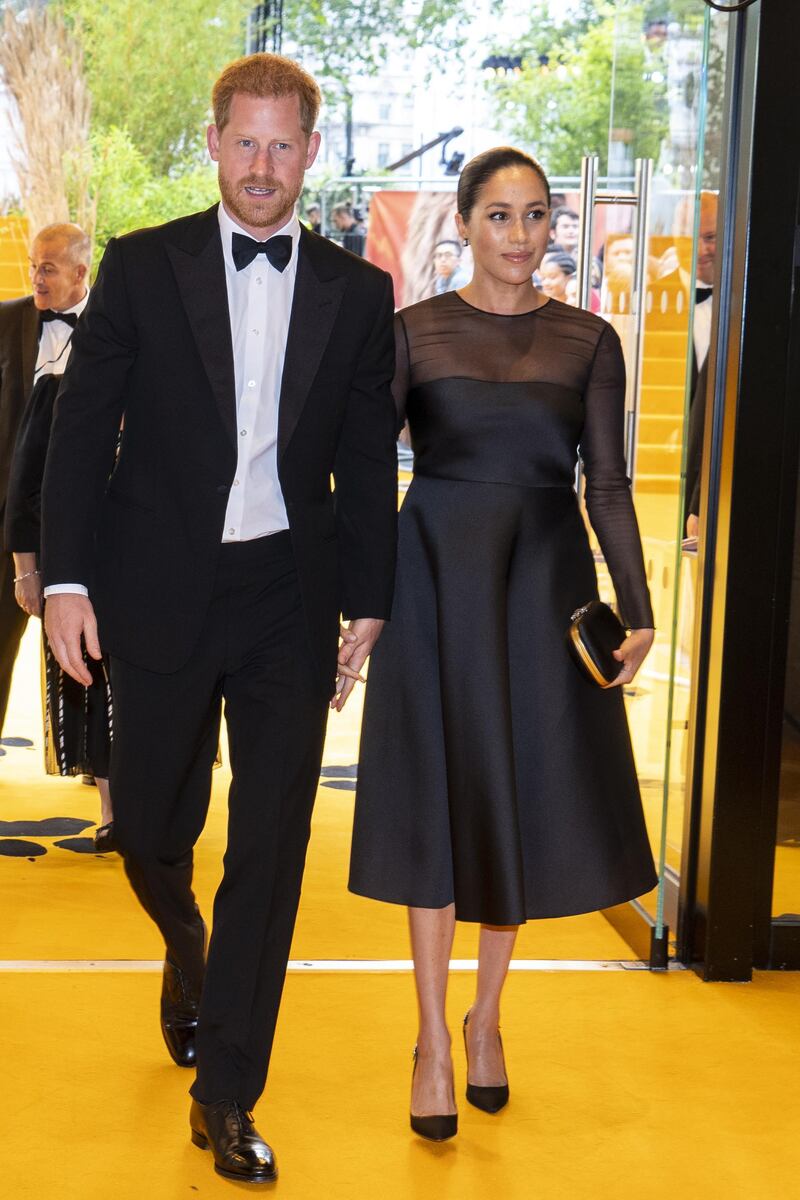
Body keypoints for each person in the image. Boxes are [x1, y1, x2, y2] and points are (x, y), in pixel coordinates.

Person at [41, 52, 397, 1185]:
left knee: (275, 843)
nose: (261, 165)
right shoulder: (145, 269)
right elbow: (79, 432)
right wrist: (63, 583)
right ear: (211, 144)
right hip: (153, 590)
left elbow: (358, 460)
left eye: (282, 144)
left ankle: (227, 1089)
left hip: (288, 598)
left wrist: (370, 602)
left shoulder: (357, 290)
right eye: (243, 142)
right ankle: (185, 948)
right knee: (147, 829)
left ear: (310, 152)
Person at [349, 146, 656, 1142]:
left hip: (540, 588)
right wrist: (355, 600)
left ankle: (487, 1018)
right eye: (497, 216)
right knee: (435, 801)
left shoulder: (586, 341)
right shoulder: (413, 332)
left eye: (534, 217)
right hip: (430, 578)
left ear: (550, 226)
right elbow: (357, 473)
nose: (518, 236)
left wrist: (637, 605)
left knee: (510, 797)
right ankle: (430, 1038)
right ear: (464, 223)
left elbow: (602, 483)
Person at [4, 223, 115, 850]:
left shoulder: (120, 339)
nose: (37, 278)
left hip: (106, 545)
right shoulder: (14, 330)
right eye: (33, 266)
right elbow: (23, 465)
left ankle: (111, 791)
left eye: (49, 267)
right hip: (32, 530)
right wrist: (27, 563)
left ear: (81, 272)